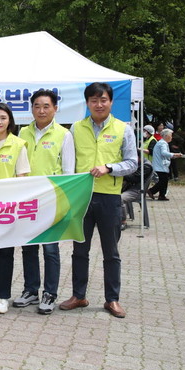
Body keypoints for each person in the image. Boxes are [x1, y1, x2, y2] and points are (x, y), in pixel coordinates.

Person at [59, 82, 137, 318]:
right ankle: (78, 296)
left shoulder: (123, 129)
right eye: (94, 100)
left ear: (111, 102)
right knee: (79, 250)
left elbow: (132, 163)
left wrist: (110, 167)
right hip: (82, 197)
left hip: (109, 198)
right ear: (87, 103)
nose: (99, 104)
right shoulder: (76, 128)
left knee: (111, 252)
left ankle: (112, 299)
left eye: (103, 100)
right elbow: (68, 162)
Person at [16, 90, 75, 315]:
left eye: (46, 106)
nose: (41, 110)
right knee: (28, 248)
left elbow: (68, 172)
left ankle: (50, 293)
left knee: (50, 250)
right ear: (31, 108)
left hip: (52, 200)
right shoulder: (23, 132)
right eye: (37, 106)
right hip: (28, 200)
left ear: (55, 109)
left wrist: (65, 203)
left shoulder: (64, 134)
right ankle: (30, 290)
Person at [0, 103, 31, 315]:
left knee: (5, 252)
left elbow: (22, 177)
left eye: (3, 118)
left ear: (10, 121)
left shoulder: (18, 144)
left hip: (8, 207)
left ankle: (3, 296)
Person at [147, 129, 181, 201]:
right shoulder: (163, 143)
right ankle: (151, 191)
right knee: (163, 181)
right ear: (166, 136)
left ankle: (162, 195)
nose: (171, 137)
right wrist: (174, 154)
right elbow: (164, 153)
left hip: (161, 165)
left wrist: (174, 156)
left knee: (165, 180)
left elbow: (164, 154)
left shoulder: (162, 143)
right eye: (170, 136)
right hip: (160, 166)